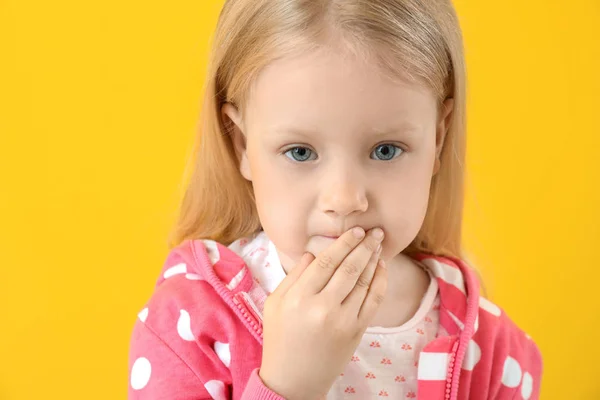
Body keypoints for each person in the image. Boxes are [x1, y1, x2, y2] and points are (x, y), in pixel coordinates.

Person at [128, 0, 543, 398]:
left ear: (437, 139)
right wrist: (287, 388)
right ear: (241, 144)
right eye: (300, 152)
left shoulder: (489, 348)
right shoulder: (187, 327)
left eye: (386, 150)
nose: (344, 199)